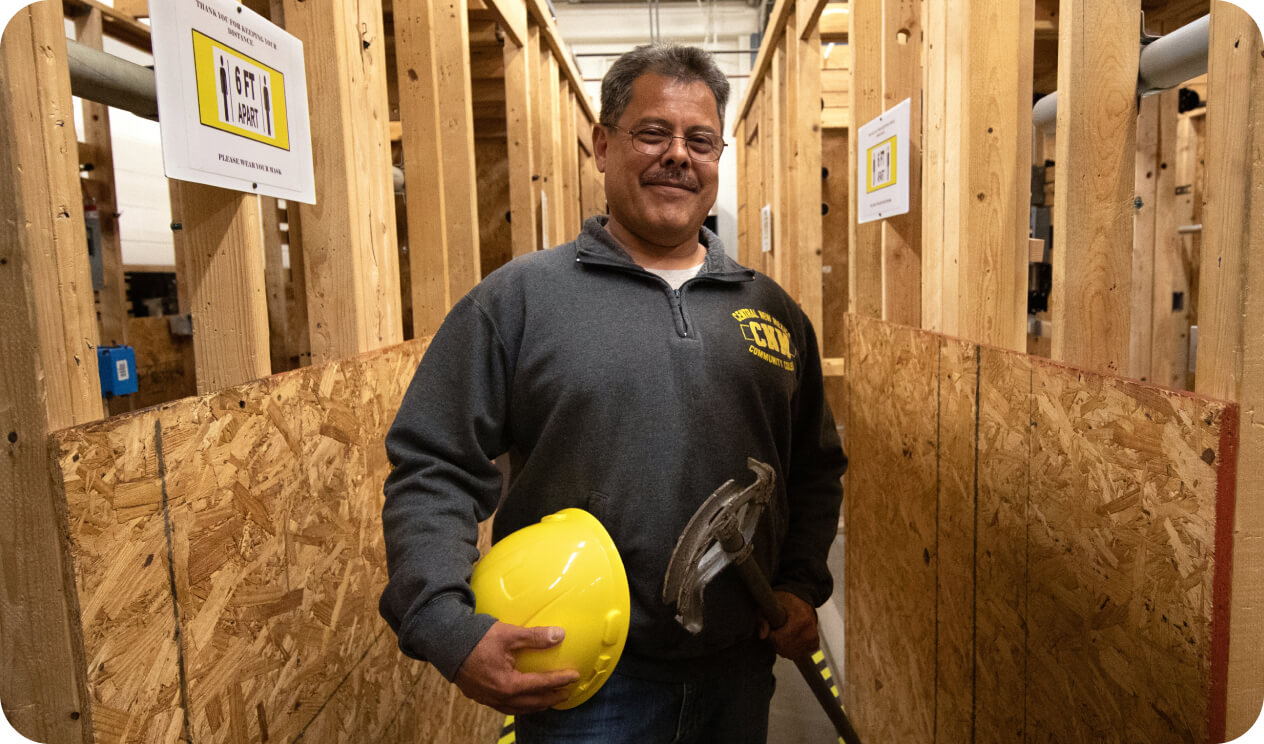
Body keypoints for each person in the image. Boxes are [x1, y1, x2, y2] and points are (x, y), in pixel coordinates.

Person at [379, 42, 846, 744]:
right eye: (653, 132)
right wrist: (443, 621)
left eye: (701, 140)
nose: (678, 156)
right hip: (582, 684)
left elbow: (812, 469)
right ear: (602, 145)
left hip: (738, 670)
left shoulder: (772, 312)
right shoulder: (521, 300)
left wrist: (802, 583)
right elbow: (434, 465)